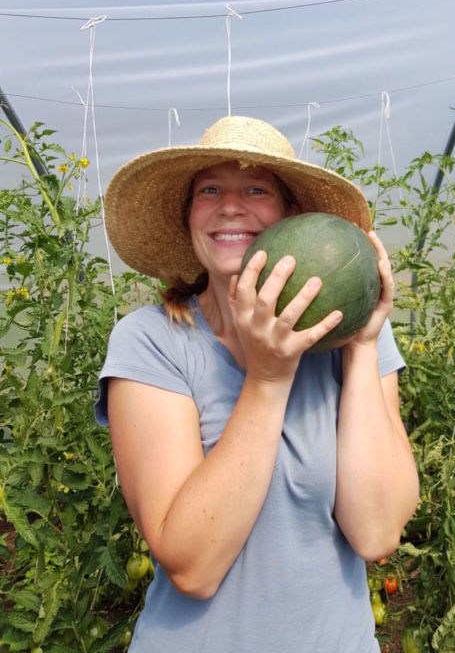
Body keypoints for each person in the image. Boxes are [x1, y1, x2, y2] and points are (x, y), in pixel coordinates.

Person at [95, 115, 419, 652]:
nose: (230, 205)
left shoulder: (351, 336)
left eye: (255, 189)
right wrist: (269, 379)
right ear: (189, 216)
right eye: (210, 190)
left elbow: (377, 532)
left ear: (290, 216)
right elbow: (193, 568)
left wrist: (361, 344)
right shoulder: (149, 343)